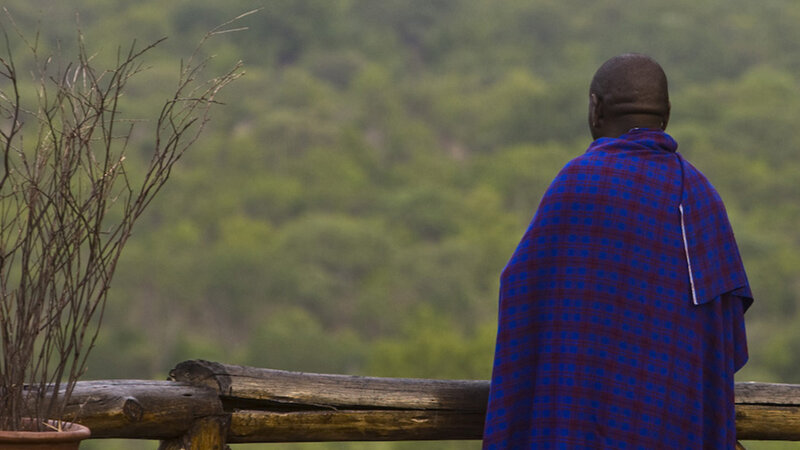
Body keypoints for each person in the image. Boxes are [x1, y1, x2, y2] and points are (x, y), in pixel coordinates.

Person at [482, 53, 752, 449]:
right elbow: (723, 335)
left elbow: (521, 291)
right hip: (668, 426)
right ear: (667, 114)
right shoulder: (700, 197)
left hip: (567, 426)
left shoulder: (576, 182)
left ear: (596, 109)